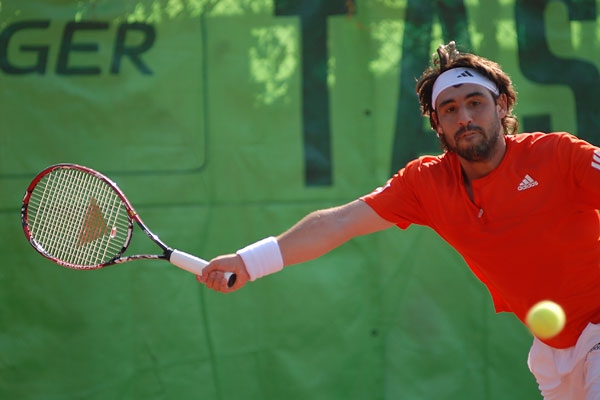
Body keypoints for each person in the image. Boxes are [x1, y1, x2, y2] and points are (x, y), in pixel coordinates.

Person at [196, 41, 600, 399]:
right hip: (554, 351)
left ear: (502, 105)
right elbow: (339, 222)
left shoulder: (559, 156)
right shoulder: (425, 183)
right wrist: (249, 262)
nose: (464, 117)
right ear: (437, 124)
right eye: (450, 109)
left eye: (475, 102)